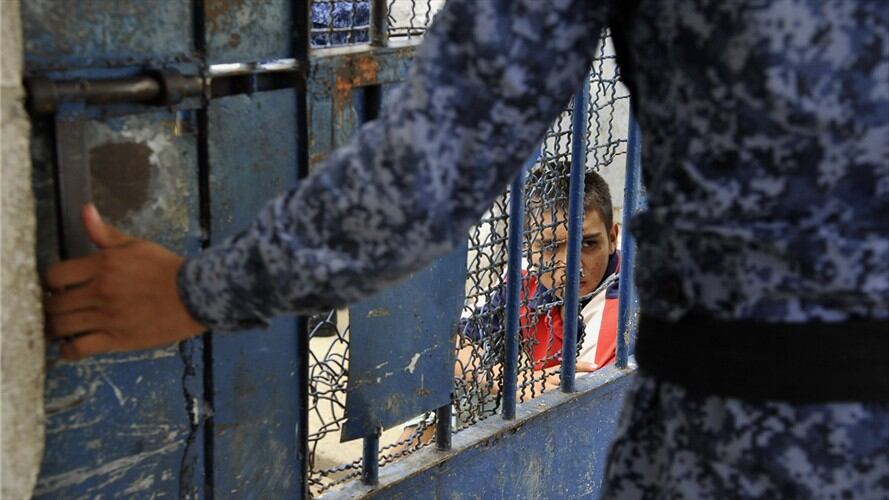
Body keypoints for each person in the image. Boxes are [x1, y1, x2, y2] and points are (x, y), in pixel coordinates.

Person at [44, 1, 888, 497]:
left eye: (585, 245)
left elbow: (429, 169)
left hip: (761, 436)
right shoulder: (517, 305)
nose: (566, 264)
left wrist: (200, 291)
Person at [397, 167, 622, 450]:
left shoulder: (621, 306)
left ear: (612, 238)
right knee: (440, 383)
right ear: (527, 246)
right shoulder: (524, 275)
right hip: (532, 398)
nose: (569, 266)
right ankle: (396, 471)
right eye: (551, 246)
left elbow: (574, 418)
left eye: (588, 244)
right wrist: (503, 378)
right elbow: (441, 340)